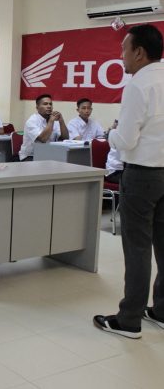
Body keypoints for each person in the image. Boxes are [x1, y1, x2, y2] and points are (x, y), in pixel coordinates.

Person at [94, 24, 164, 339]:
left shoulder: (138, 84)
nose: (121, 54)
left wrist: (111, 133)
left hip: (142, 174)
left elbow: (126, 140)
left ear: (139, 52)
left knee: (137, 247)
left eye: (124, 48)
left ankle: (129, 320)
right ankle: (161, 310)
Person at [19, 94, 69, 161]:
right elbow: (43, 139)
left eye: (50, 104)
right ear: (37, 107)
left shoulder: (53, 120)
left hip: (50, 154)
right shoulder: (32, 121)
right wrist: (51, 121)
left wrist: (61, 121)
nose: (49, 106)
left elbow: (65, 138)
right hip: (31, 156)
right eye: (45, 104)